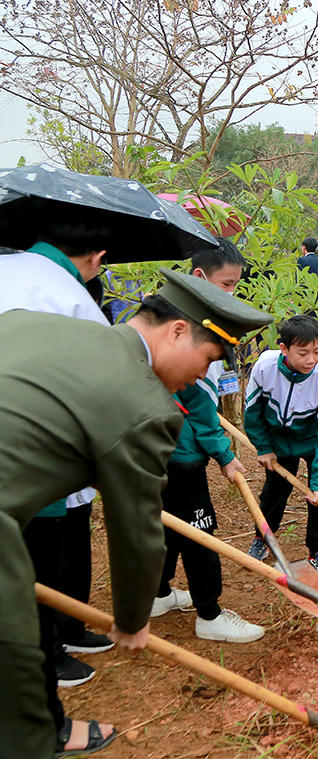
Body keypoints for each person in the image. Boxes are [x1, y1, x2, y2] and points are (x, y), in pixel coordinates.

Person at [0, 269, 271, 758]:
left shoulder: (45, 324)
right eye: (208, 359)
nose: (203, 376)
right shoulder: (146, 407)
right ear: (176, 331)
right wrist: (129, 619)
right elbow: (136, 526)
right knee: (18, 685)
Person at [0, 223, 120, 689]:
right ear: (96, 257)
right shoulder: (67, 295)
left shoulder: (11, 267)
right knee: (39, 562)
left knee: (56, 550)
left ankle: (66, 632)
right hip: (35, 455)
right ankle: (46, 659)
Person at [153, 239, 265, 643]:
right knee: (201, 532)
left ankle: (159, 593)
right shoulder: (193, 332)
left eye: (236, 284)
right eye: (226, 283)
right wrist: (223, 454)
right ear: (198, 278)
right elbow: (198, 406)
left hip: (162, 449)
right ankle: (210, 613)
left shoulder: (171, 319)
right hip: (181, 453)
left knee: (167, 527)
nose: (231, 293)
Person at [245, 315, 318, 579]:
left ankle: (317, 553)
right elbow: (253, 413)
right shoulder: (264, 368)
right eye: (303, 353)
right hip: (277, 442)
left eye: (316, 351)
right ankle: (262, 538)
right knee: (274, 491)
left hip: (312, 442)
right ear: (284, 349)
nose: (311, 360)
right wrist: (263, 447)